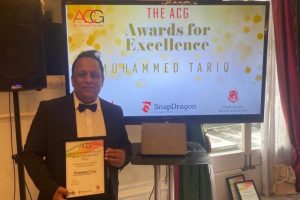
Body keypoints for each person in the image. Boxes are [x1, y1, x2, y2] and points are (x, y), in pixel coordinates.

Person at [23, 50, 132, 200]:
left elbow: (125, 146)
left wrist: (124, 156)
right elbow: (30, 155)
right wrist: (50, 188)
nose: (88, 80)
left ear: (102, 80)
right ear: (73, 79)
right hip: (62, 196)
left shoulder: (114, 112)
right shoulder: (49, 110)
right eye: (82, 74)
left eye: (94, 75)